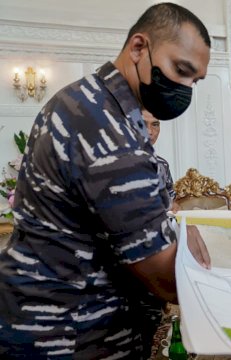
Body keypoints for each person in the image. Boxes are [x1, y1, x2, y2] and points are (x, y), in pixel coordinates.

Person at [0, 3, 212, 358]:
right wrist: (187, 249)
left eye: (196, 80)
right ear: (138, 48)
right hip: (70, 333)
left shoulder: (84, 99)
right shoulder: (107, 130)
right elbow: (164, 278)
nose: (186, 87)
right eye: (181, 70)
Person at [143, 109, 179, 212]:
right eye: (142, 124)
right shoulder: (117, 162)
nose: (149, 131)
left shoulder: (162, 164)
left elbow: (173, 204)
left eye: (155, 125)